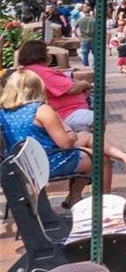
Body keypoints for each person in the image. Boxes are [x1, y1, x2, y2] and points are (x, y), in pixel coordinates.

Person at [14, 41, 126, 172]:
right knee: (98, 145)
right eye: (46, 51)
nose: (48, 55)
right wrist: (84, 85)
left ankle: (122, 157)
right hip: (60, 132)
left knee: (91, 141)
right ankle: (120, 159)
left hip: (58, 131)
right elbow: (70, 89)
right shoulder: (40, 81)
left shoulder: (32, 79)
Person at [0, 70, 110, 208]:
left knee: (86, 148)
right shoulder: (41, 110)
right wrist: (70, 133)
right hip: (47, 162)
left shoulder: (3, 112)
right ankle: (106, 205)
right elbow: (65, 144)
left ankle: (75, 197)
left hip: (19, 165)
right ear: (37, 87)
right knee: (101, 159)